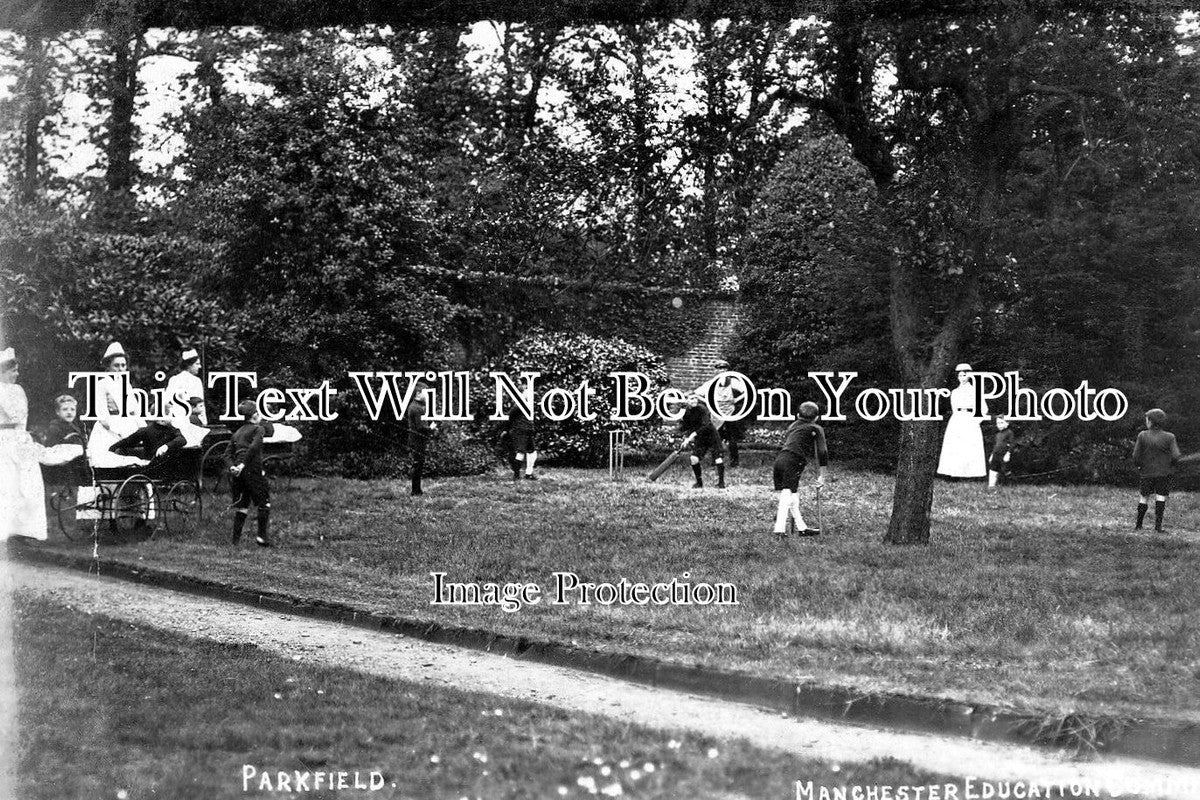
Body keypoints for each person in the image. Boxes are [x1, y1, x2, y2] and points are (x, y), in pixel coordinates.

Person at [0, 349, 48, 543]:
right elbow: (12, 413)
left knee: (27, 484)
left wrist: (23, 437)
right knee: (6, 483)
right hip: (2, 438)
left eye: (17, 370)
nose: (16, 374)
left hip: (18, 438)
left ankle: (24, 530)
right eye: (13, 371)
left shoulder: (17, 390)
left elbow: (21, 417)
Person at [87, 342, 147, 468]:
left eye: (123, 365)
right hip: (110, 430)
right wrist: (121, 432)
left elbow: (136, 411)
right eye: (116, 366)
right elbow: (103, 418)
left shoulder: (127, 385)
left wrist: (144, 430)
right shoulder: (101, 385)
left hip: (129, 426)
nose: (120, 369)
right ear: (108, 367)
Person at [772, 401, 827, 537]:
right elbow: (822, 452)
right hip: (793, 461)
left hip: (780, 459)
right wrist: (822, 476)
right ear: (817, 417)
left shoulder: (792, 426)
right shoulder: (816, 428)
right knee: (787, 494)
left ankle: (802, 527)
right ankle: (779, 529)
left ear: (798, 415)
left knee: (793, 495)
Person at [227, 399, 274, 547]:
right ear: (254, 415)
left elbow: (226, 455)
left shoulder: (237, 433)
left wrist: (232, 467)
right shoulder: (258, 429)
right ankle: (262, 537)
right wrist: (243, 464)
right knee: (264, 502)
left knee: (243, 506)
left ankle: (235, 542)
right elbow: (254, 447)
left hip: (238, 472)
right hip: (252, 469)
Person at [1132, 408, 1180, 533]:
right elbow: (1176, 456)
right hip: (1163, 474)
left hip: (1146, 473)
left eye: (1147, 419)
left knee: (1144, 498)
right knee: (1161, 498)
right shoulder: (1170, 437)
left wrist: (1139, 466)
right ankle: (1158, 527)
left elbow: (1136, 456)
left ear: (1151, 421)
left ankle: (1138, 525)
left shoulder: (1142, 435)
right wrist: (1170, 466)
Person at [937, 363, 987, 479]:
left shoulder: (975, 391)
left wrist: (976, 421)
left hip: (970, 419)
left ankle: (971, 474)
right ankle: (954, 474)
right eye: (959, 375)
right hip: (957, 419)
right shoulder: (955, 392)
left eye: (964, 375)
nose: (962, 378)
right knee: (956, 446)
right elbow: (954, 408)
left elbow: (984, 408)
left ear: (969, 375)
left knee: (969, 446)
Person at [704, 361, 746, 468]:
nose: (721, 371)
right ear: (715, 370)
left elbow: (747, 391)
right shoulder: (711, 383)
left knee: (732, 438)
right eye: (719, 369)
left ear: (727, 370)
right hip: (717, 414)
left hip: (730, 412)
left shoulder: (734, 382)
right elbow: (698, 393)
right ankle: (715, 461)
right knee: (715, 436)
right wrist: (708, 401)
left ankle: (734, 462)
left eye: (724, 369)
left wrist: (736, 399)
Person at [679, 392, 725, 489]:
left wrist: (692, 435)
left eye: (695, 398)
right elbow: (687, 427)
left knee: (718, 458)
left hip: (711, 435)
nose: (694, 401)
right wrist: (686, 438)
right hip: (701, 438)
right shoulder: (686, 413)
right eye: (691, 399)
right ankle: (699, 483)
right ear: (687, 401)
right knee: (694, 458)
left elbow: (706, 425)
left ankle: (721, 483)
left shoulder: (702, 409)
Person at [406, 380, 437, 496]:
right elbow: (421, 427)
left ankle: (417, 490)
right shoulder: (418, 408)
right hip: (418, 440)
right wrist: (431, 428)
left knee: (417, 464)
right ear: (418, 393)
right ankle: (415, 491)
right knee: (418, 465)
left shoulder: (414, 406)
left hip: (414, 440)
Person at [166, 347, 206, 423]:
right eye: (197, 364)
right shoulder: (176, 380)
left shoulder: (196, 380)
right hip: (185, 420)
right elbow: (167, 401)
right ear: (189, 365)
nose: (200, 366)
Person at [506, 401, 538, 482]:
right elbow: (508, 417)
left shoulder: (529, 404)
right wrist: (506, 429)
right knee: (521, 452)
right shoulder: (518, 405)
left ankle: (528, 473)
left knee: (532, 452)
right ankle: (516, 475)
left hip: (528, 430)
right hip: (520, 431)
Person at [987, 416, 1014, 489]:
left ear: (1007, 423)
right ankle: (991, 485)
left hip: (1004, 454)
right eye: (998, 423)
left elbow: (1012, 444)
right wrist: (992, 455)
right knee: (993, 469)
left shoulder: (1009, 433)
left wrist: (1008, 453)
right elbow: (995, 445)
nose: (999, 425)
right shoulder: (998, 434)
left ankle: (1010, 485)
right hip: (996, 454)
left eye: (1002, 423)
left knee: (1005, 469)